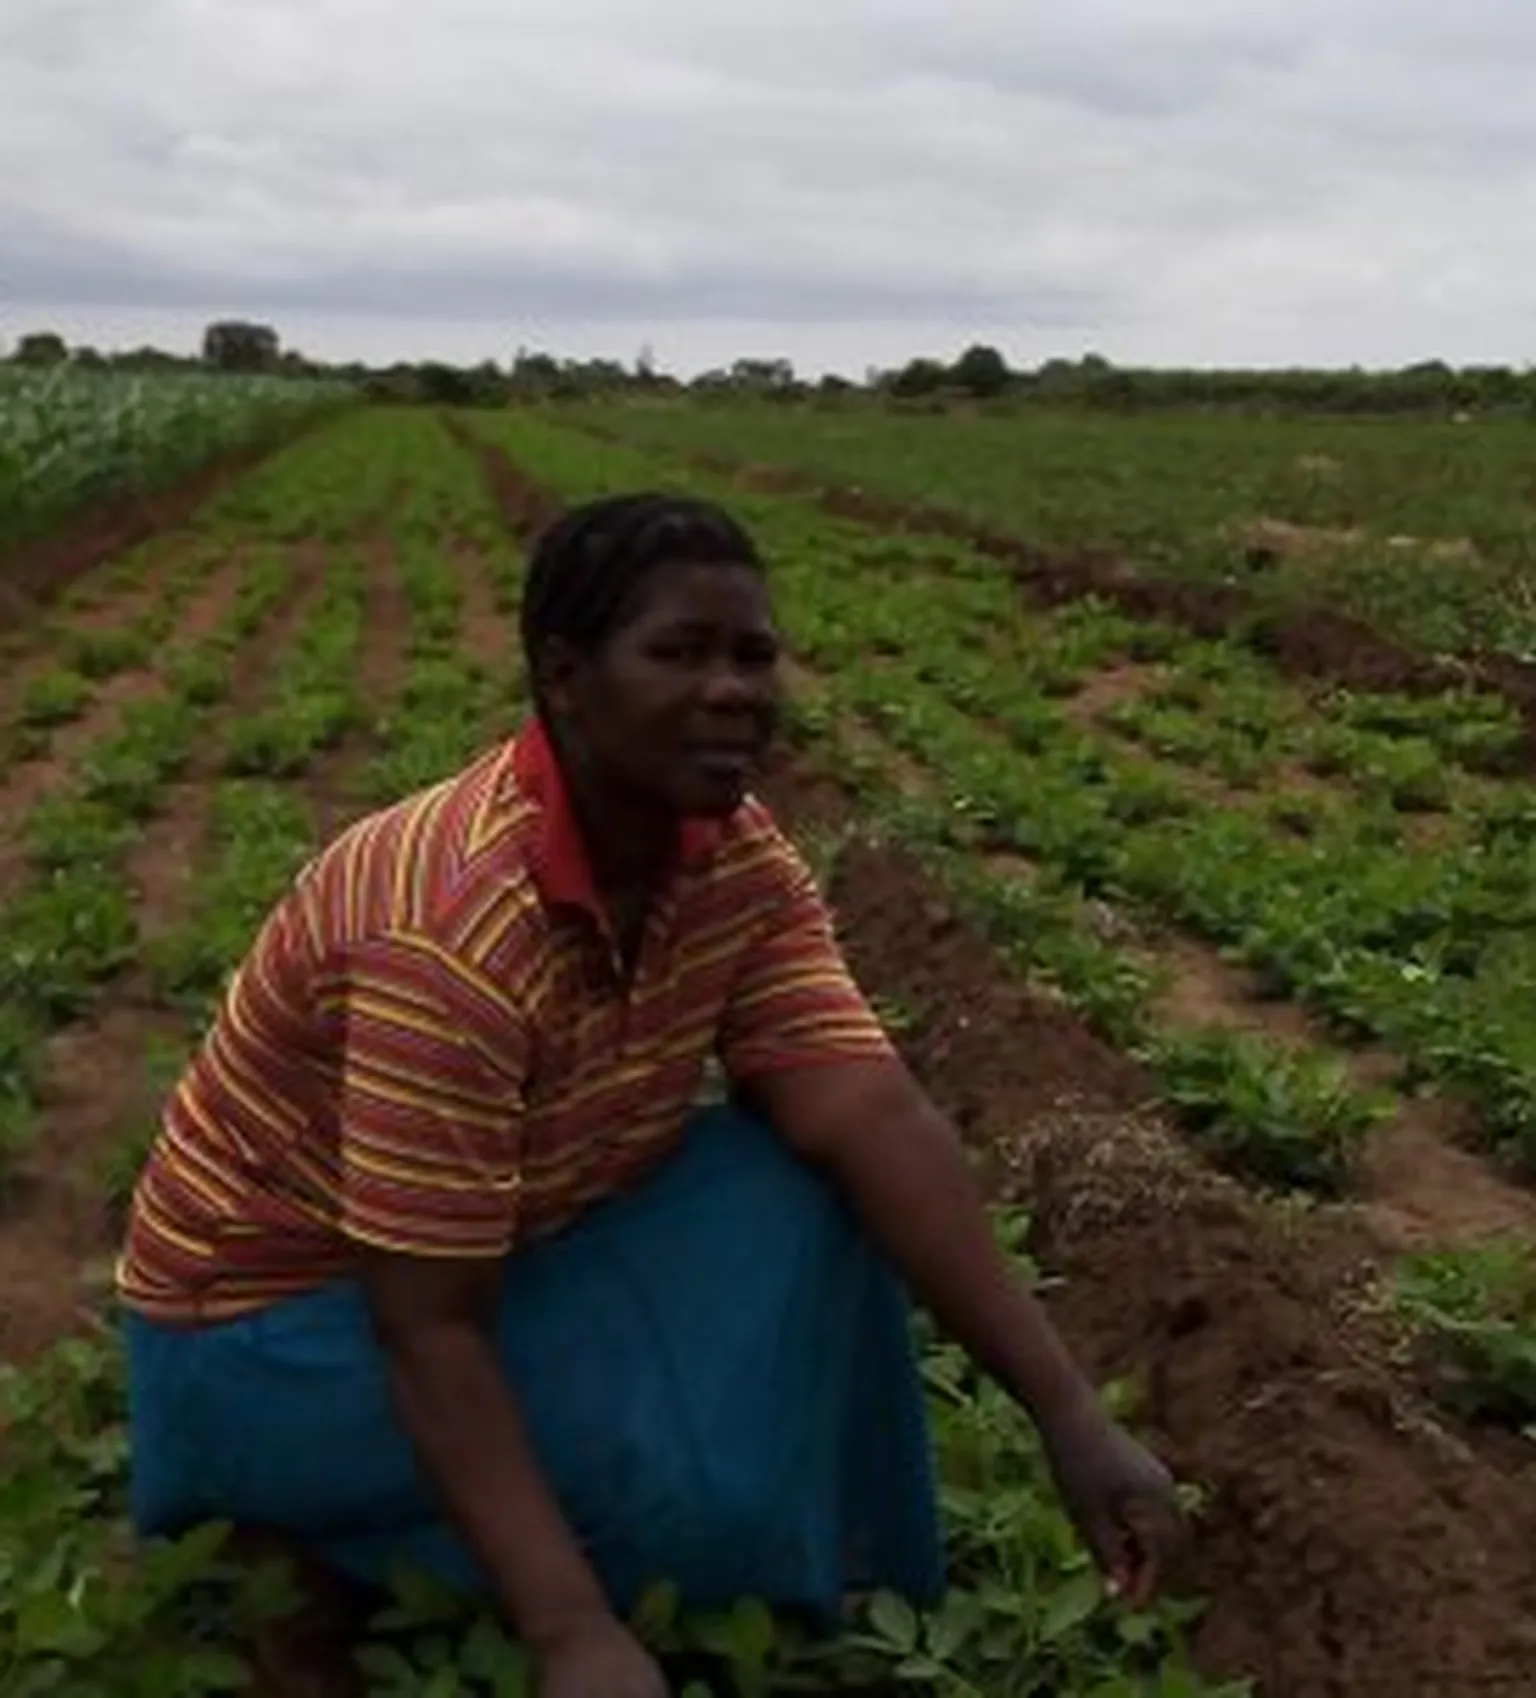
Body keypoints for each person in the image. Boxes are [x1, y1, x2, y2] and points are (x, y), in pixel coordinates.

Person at [117, 492, 1186, 1698]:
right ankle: (307, 1534)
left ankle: (764, 1543)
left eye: (752, 654)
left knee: (823, 1175)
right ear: (567, 678)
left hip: (503, 1244)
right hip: (272, 1334)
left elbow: (870, 1113)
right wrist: (571, 1632)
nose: (733, 689)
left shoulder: (729, 854)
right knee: (639, 1473)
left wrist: (1067, 1414)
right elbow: (428, 1326)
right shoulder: (446, 934)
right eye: (680, 652)